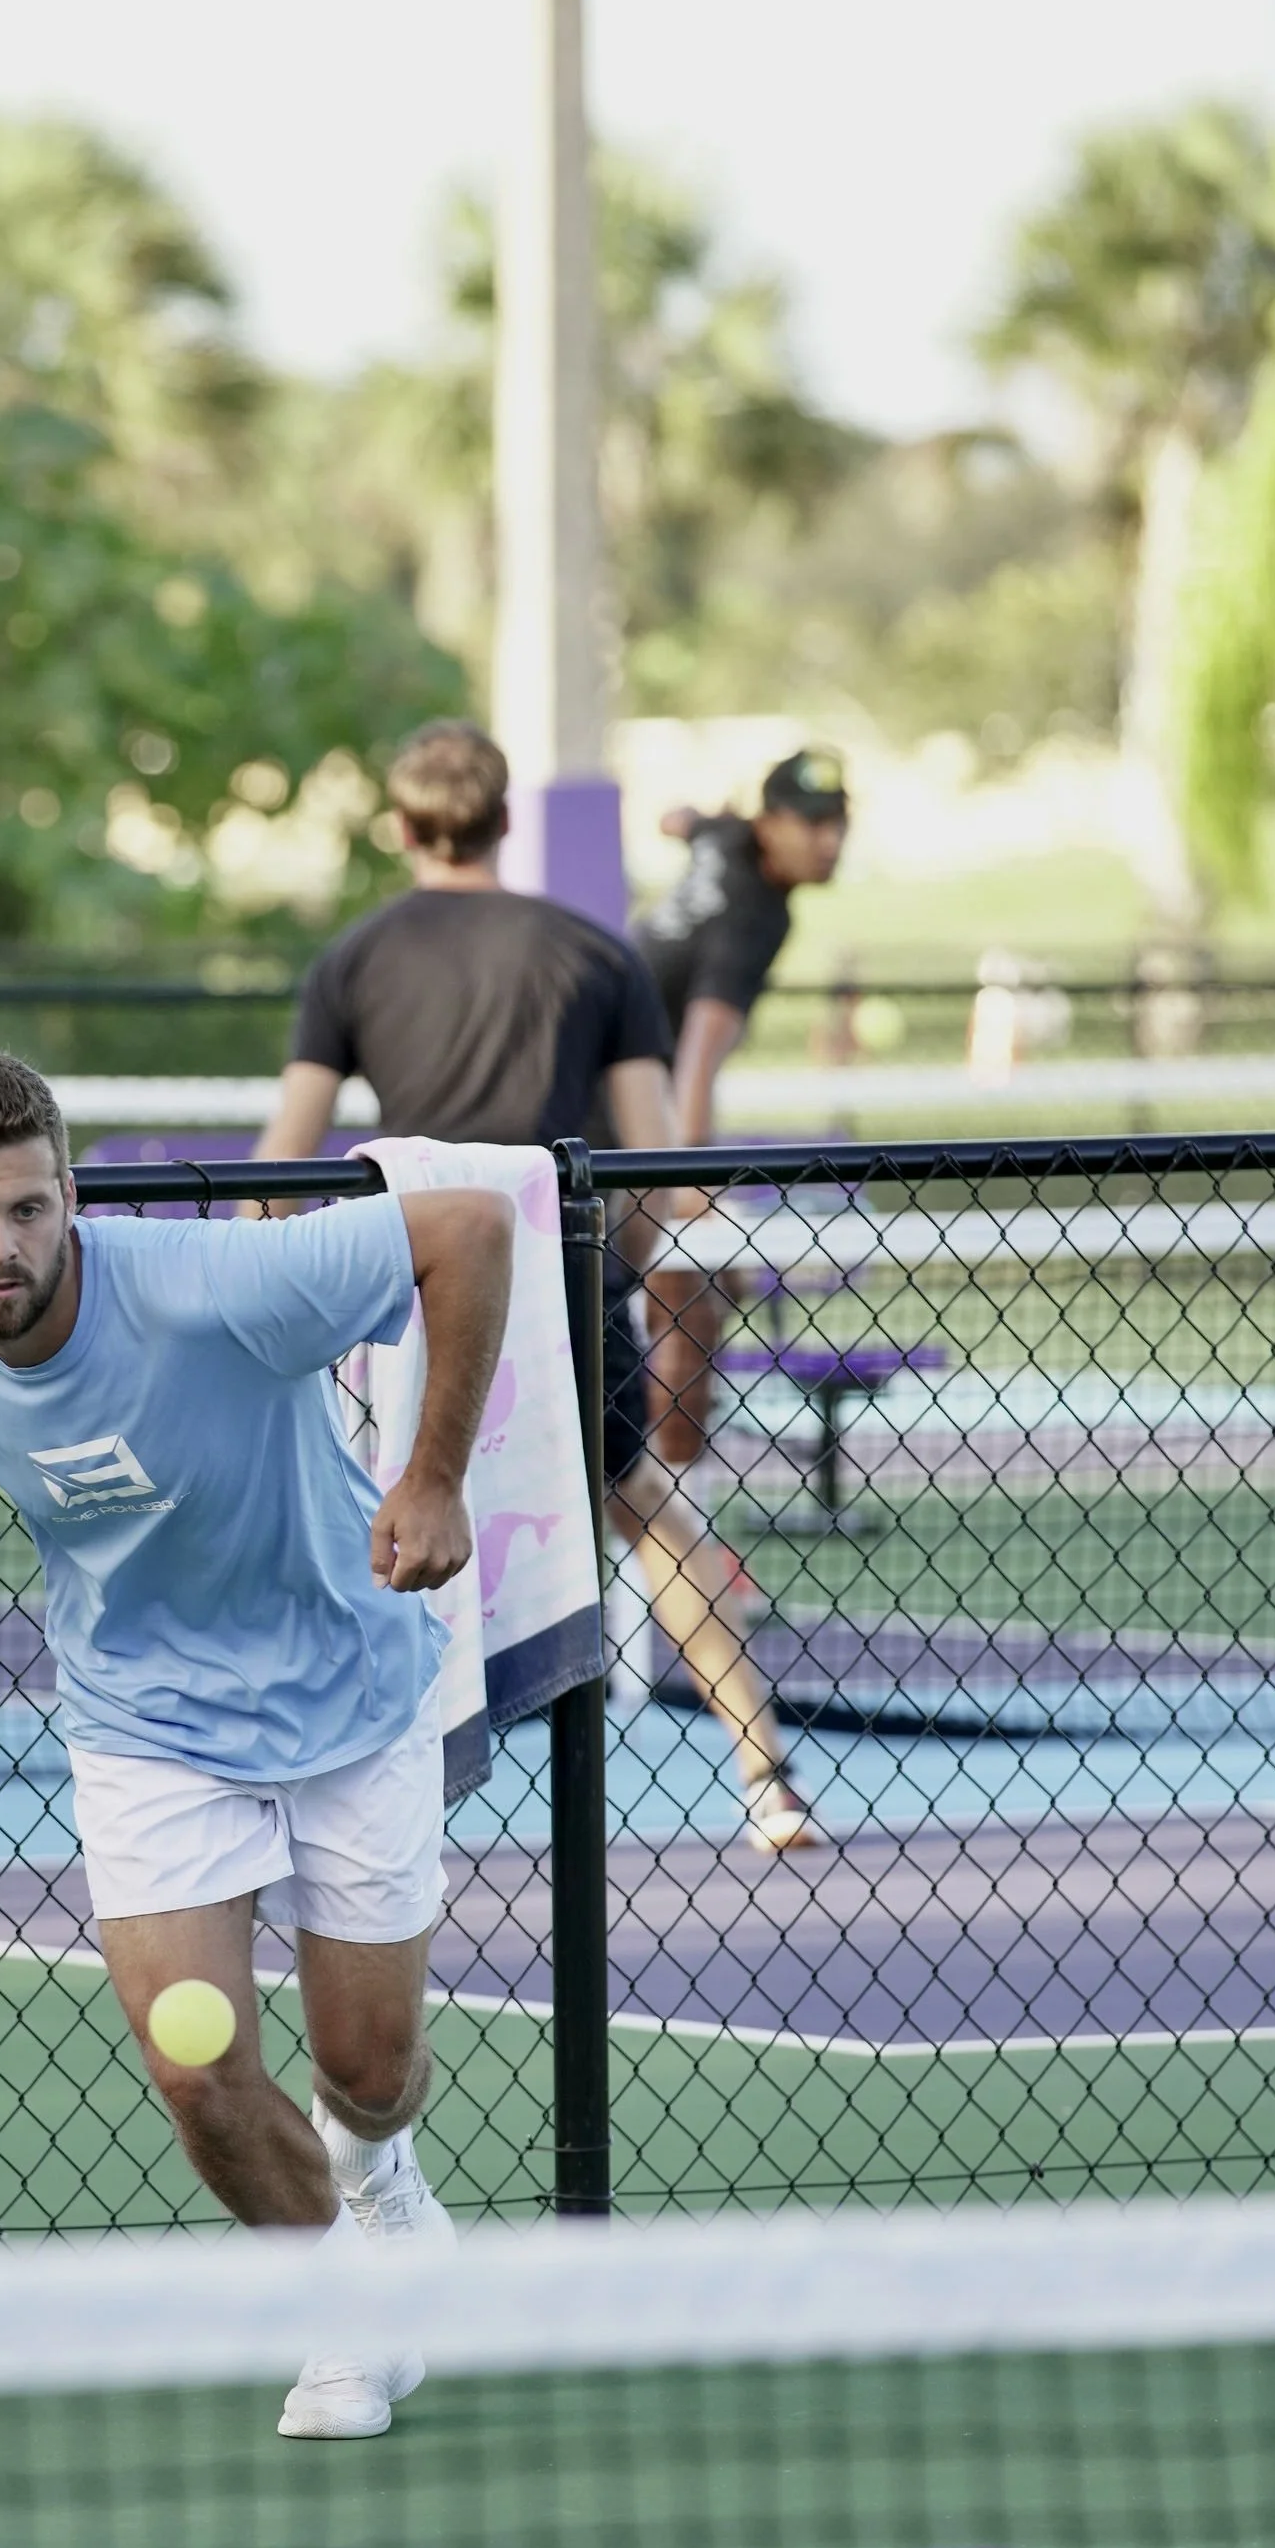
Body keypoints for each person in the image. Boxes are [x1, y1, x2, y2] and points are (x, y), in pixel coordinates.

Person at [0, 1047, 517, 2440]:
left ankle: (377, 2177)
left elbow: (471, 1231)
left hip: (350, 1693)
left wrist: (431, 1475)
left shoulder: (212, 1288)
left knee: (367, 2072)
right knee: (195, 2067)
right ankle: (339, 2318)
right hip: (147, 1731)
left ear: (69, 1195)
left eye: (27, 1208)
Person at [250, 716, 816, 1854]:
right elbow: (655, 1159)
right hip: (557, 1273)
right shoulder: (592, 953)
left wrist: (264, 1283)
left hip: (399, 1285)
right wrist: (628, 1265)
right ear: (506, 822)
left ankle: (312, 1794)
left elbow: (280, 1167)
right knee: (647, 1508)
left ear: (402, 827)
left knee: (351, 1517)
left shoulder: (352, 960)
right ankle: (764, 1775)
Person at [631, 747, 851, 1471]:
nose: (828, 841)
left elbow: (682, 820)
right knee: (688, 1304)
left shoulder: (723, 837)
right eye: (810, 823)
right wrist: (686, 1174)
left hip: (618, 1093)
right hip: (623, 1111)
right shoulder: (757, 915)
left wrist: (686, 821)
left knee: (716, 1284)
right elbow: (697, 1053)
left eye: (837, 822)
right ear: (770, 825)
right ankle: (665, 1532)